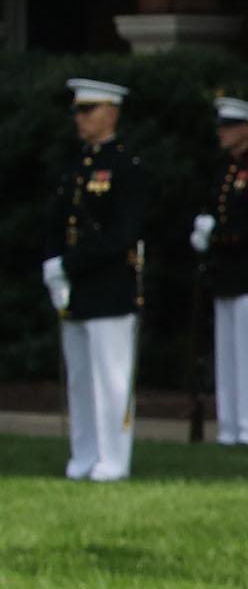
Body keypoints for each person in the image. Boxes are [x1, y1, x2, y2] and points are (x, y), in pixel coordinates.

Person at [43, 77, 148, 482]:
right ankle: (83, 452)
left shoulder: (125, 168)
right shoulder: (75, 167)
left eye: (88, 111)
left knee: (110, 376)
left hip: (109, 286)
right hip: (76, 286)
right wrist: (53, 263)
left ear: (111, 113)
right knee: (81, 378)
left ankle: (113, 457)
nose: (80, 119)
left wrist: (69, 264)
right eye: (78, 112)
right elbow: (56, 221)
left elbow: (121, 234)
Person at [193, 95, 248, 448]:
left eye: (229, 127)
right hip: (225, 271)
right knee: (227, 352)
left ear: (247, 130)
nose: (221, 133)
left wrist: (219, 235)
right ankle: (229, 425)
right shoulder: (225, 169)